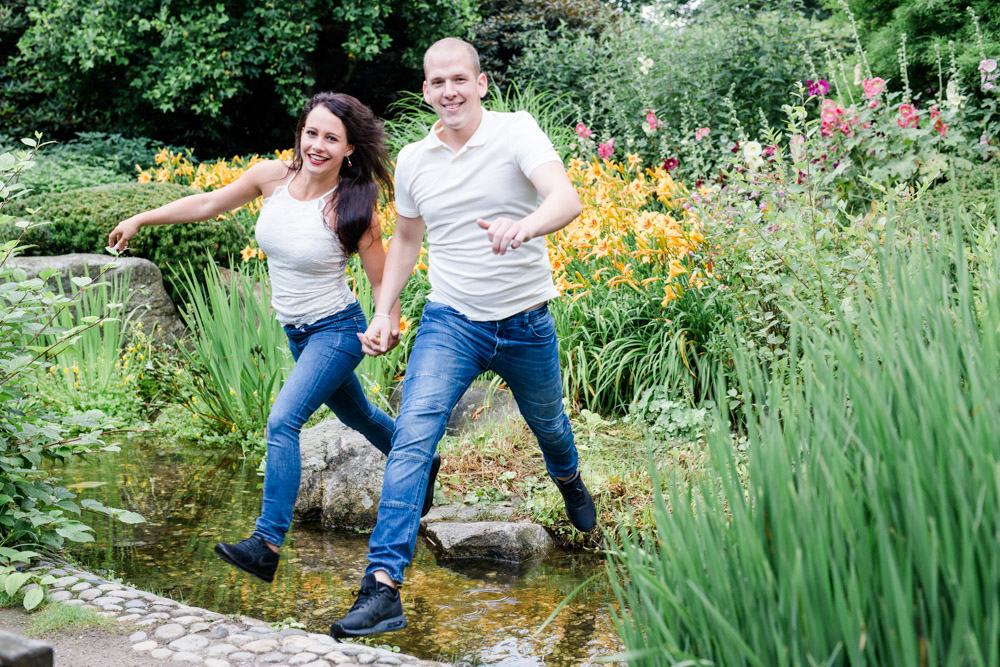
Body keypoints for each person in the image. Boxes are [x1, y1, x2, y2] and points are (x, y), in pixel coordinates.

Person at [106, 92, 440, 584]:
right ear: (300, 132)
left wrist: (383, 319)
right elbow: (208, 202)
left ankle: (265, 543)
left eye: (332, 138)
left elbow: (379, 277)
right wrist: (141, 218)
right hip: (297, 333)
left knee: (282, 421)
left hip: (338, 330)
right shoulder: (270, 178)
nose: (318, 145)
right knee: (359, 413)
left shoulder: (352, 205)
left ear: (349, 149)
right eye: (312, 133)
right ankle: (421, 461)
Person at [328, 38, 596, 639]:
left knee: (550, 424)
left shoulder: (516, 131)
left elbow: (565, 198)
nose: (448, 91)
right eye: (436, 82)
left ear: (479, 84)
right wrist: (385, 308)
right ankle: (382, 587)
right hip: (452, 321)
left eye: (459, 80)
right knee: (413, 436)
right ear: (426, 91)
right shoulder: (416, 160)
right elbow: (404, 241)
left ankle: (569, 477)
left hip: (527, 321)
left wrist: (523, 227)